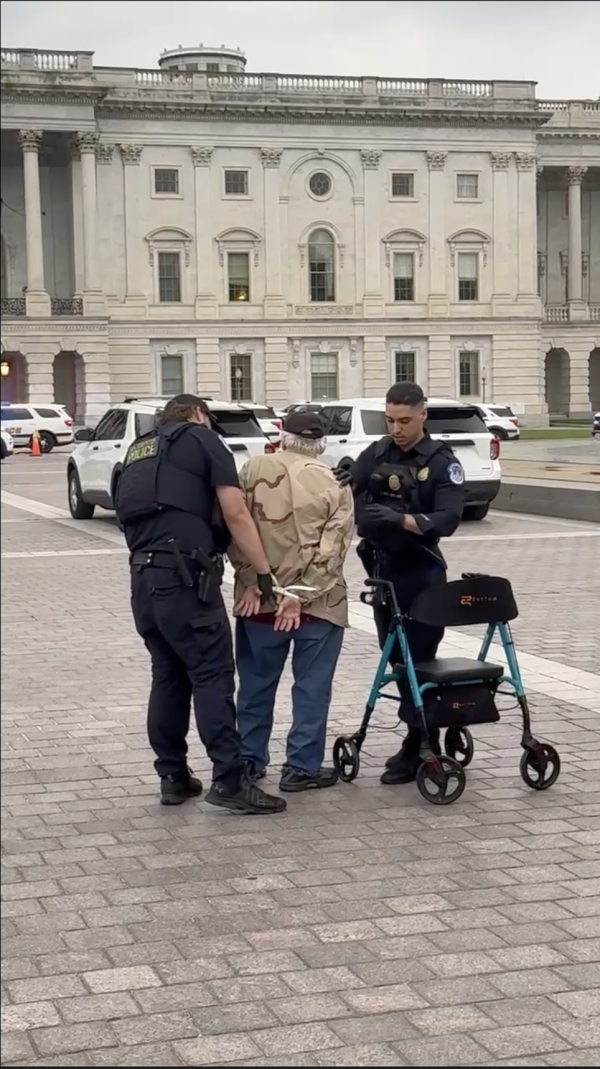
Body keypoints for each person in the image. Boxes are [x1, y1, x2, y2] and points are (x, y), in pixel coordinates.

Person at [115, 393, 286, 815]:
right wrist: (263, 572)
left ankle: (173, 777)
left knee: (168, 676)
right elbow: (235, 512)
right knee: (212, 676)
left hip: (144, 580)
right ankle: (229, 780)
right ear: (198, 415)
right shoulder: (203, 439)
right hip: (186, 580)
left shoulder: (140, 449)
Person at [337, 382, 465, 785]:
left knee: (420, 660)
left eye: (405, 420)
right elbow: (349, 484)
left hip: (422, 572)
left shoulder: (442, 462)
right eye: (390, 420)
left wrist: (401, 521)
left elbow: (447, 519)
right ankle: (419, 738)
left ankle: (422, 743)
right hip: (384, 572)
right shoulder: (377, 452)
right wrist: (339, 479)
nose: (396, 428)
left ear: (423, 415)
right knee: (395, 657)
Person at [229, 410, 355, 792]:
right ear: (322, 442)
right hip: (319, 608)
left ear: (283, 434)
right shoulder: (335, 482)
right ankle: (301, 768)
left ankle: (249, 761)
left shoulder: (251, 470)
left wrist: (252, 580)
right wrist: (299, 596)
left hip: (258, 604)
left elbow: (232, 526)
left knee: (253, 686)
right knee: (312, 688)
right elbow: (333, 552)